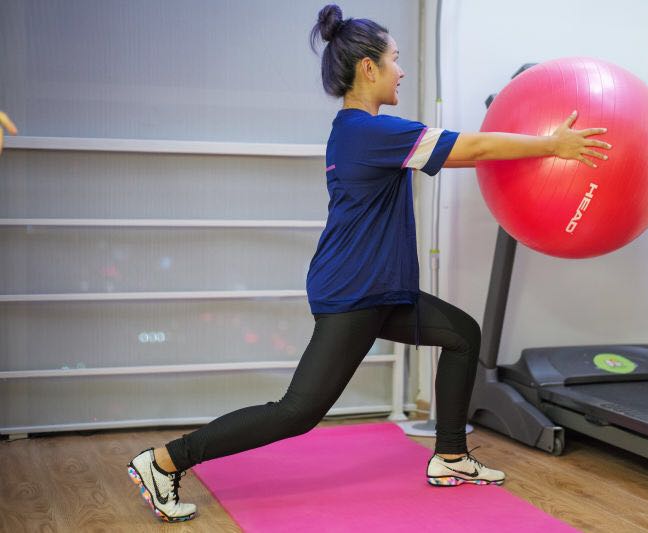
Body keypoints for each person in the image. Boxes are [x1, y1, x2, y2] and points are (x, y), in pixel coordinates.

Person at [127, 4, 611, 523]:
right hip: (355, 291)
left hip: (378, 290)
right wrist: (552, 144)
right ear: (368, 67)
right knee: (297, 412)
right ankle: (165, 461)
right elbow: (471, 148)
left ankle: (451, 457)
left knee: (462, 335)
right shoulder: (369, 132)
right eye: (395, 59)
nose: (401, 71)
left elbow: (463, 153)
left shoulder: (357, 131)